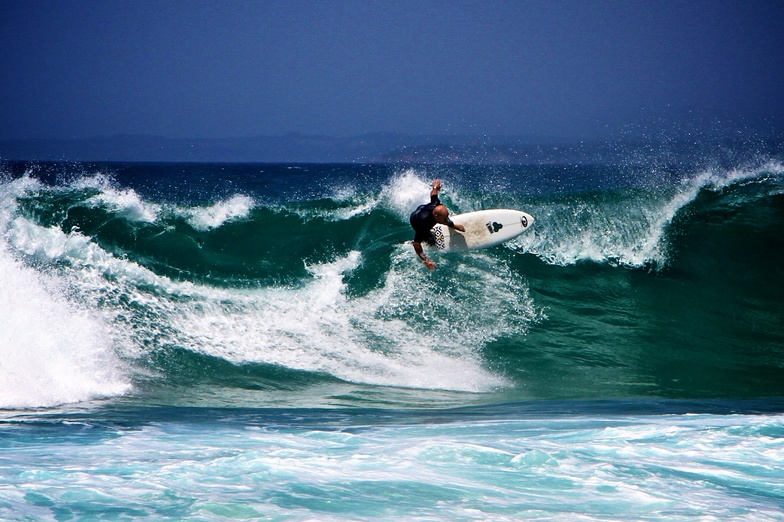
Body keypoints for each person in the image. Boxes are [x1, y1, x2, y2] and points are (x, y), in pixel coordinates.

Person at [409, 179, 465, 270]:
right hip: (415, 219)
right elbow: (416, 244)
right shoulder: (424, 224)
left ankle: (451, 225)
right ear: (436, 216)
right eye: (444, 218)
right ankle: (424, 239)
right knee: (430, 241)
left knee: (447, 221)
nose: (446, 219)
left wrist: (435, 187)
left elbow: (433, 194)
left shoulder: (436, 204)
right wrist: (426, 260)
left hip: (423, 209)